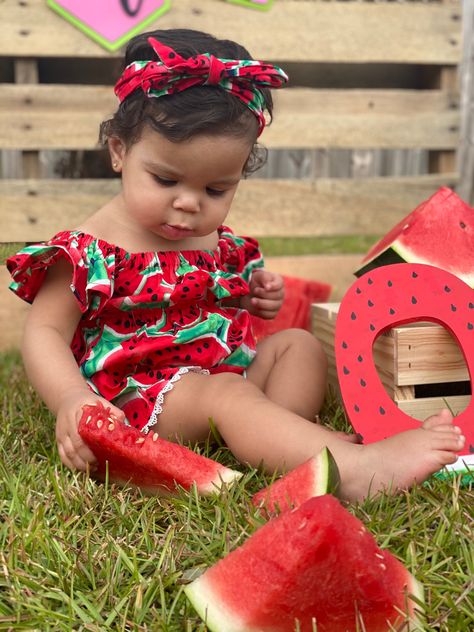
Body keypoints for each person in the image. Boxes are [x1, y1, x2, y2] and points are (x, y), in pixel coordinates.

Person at [7, 29, 464, 502]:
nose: (188, 204)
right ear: (120, 151)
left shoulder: (208, 238)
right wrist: (71, 398)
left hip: (225, 372)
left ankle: (276, 441)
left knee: (298, 347)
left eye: (216, 190)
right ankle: (354, 469)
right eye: (166, 179)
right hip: (146, 398)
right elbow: (44, 332)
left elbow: (216, 295)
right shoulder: (88, 251)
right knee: (228, 395)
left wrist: (257, 294)